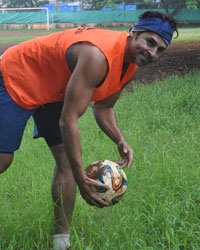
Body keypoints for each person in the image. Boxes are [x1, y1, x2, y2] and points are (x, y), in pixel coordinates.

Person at [0, 11, 178, 250]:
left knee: (64, 162)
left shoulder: (129, 65)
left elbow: (103, 108)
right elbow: (68, 119)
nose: (153, 52)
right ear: (134, 33)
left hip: (51, 90)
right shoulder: (97, 55)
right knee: (3, 159)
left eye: (160, 50)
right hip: (15, 76)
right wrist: (81, 179)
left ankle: (61, 244)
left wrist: (120, 140)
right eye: (150, 42)